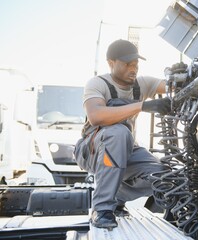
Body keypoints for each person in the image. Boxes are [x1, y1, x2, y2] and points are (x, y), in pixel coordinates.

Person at [74, 39, 171, 229]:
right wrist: (143, 105)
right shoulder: (97, 83)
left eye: (136, 64)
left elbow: (172, 87)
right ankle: (101, 209)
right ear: (111, 63)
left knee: (163, 176)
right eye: (128, 64)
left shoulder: (142, 84)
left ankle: (116, 197)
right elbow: (96, 116)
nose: (133, 69)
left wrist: (181, 77)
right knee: (119, 133)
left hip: (125, 150)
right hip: (92, 149)